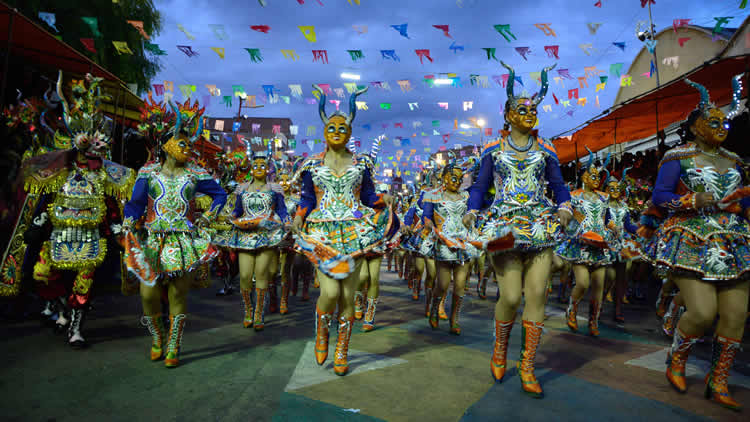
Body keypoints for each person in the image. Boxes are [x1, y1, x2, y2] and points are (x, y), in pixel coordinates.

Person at [464, 61, 572, 398]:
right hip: (502, 229)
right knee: (510, 296)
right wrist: (471, 210)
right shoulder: (492, 151)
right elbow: (480, 188)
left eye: (533, 109)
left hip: (540, 226)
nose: (529, 113)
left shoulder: (548, 150)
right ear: (508, 115)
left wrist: (566, 206)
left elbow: (559, 186)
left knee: (537, 295)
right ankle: (499, 351)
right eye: (522, 109)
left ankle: (527, 365)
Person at [646, 76, 750, 411]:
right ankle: (676, 358)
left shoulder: (735, 161)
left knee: (736, 316)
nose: (721, 127)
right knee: (703, 313)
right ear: (695, 128)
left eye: (724, 122)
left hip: (733, 240)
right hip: (690, 237)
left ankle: (717, 381)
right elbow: (659, 197)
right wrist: (691, 200)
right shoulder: (678, 156)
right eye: (713, 122)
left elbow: (743, 202)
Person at [21, 72, 135, 348]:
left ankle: (75, 329)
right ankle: (61, 308)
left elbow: (111, 208)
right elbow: (46, 199)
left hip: (90, 238)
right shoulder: (59, 170)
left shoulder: (106, 175)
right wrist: (39, 220)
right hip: (57, 235)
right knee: (42, 275)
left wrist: (119, 231)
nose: (95, 144)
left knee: (83, 285)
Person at [293, 84, 397, 376]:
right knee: (328, 293)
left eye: (343, 127)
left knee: (348, 298)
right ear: (324, 130)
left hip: (355, 232)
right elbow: (307, 198)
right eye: (332, 126)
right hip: (323, 233)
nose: (337, 130)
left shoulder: (362, 164)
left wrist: (382, 199)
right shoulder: (311, 165)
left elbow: (367, 197)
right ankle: (323, 333)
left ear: (350, 132)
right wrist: (300, 215)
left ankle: (342, 350)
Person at [121, 99, 226, 368]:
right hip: (153, 240)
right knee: (148, 294)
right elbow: (135, 203)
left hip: (183, 241)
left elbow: (219, 195)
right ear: (166, 145)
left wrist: (206, 217)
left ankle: (173, 345)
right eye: (182, 143)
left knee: (178, 295)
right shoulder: (148, 172)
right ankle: (157, 336)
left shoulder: (195, 173)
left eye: (190, 144)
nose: (187, 148)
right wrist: (130, 221)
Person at [215, 140, 289, 330]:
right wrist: (230, 217)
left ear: (267, 169)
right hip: (245, 234)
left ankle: (258, 314)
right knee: (246, 276)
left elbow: (281, 210)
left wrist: (287, 221)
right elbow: (237, 211)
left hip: (266, 235)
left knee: (261, 274)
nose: (258, 168)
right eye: (255, 165)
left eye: (262, 165)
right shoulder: (242, 189)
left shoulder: (275, 189)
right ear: (251, 168)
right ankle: (248, 309)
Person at [557, 149, 615, 337]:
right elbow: (563, 218)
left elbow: (606, 218)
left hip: (600, 244)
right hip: (580, 244)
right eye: (592, 175)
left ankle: (593, 321)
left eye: (599, 176)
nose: (596, 178)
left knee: (598, 285)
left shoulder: (604, 197)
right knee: (582, 283)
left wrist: (612, 226)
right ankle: (572, 310)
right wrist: (573, 222)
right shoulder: (573, 196)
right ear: (584, 176)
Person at [423, 154, 480, 335]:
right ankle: (434, 308)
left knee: (460, 284)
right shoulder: (432, 195)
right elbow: (427, 216)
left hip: (464, 241)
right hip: (444, 243)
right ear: (444, 178)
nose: (457, 182)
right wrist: (431, 227)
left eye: (459, 179)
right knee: (443, 284)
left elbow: (475, 210)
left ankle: (455, 319)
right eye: (453, 178)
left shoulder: (466, 195)